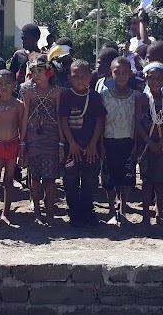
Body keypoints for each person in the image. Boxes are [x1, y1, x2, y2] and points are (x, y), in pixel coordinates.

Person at [60, 59, 107, 227]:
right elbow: (63, 120)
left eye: (84, 76)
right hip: (70, 147)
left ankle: (88, 212)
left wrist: (93, 144)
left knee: (90, 180)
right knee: (70, 179)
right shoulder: (65, 95)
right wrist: (71, 143)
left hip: (90, 147)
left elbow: (100, 121)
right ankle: (73, 212)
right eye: (76, 76)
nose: (80, 79)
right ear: (70, 78)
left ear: (90, 77)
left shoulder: (94, 96)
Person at [20, 55, 63, 225]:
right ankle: (37, 211)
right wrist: (22, 142)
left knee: (50, 178)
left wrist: (61, 141)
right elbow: (24, 117)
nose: (37, 75)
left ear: (49, 72)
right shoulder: (28, 91)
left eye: (40, 71)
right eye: (34, 71)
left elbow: (60, 117)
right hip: (33, 138)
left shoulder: (56, 92)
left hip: (51, 138)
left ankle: (50, 211)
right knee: (35, 176)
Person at [135, 62, 163, 225]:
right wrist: (149, 142)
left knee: (161, 181)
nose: (154, 81)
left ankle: (159, 213)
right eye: (150, 78)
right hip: (145, 147)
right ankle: (146, 214)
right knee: (146, 181)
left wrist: (161, 142)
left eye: (158, 78)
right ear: (145, 79)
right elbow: (138, 123)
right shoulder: (141, 99)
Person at [98, 57, 139, 226]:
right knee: (109, 178)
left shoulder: (137, 96)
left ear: (130, 74)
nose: (121, 76)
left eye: (124, 73)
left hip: (128, 141)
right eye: (117, 72)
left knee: (127, 178)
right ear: (111, 73)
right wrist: (100, 143)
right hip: (109, 141)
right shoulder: (104, 96)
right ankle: (111, 210)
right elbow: (100, 121)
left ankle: (123, 209)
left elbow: (137, 123)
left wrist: (136, 144)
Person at [0, 70, 24, 226]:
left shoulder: (19, 105)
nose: (4, 87)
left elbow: (22, 128)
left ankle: (6, 213)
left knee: (9, 180)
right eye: (0, 84)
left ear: (14, 85)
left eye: (8, 84)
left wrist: (22, 149)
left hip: (13, 146)